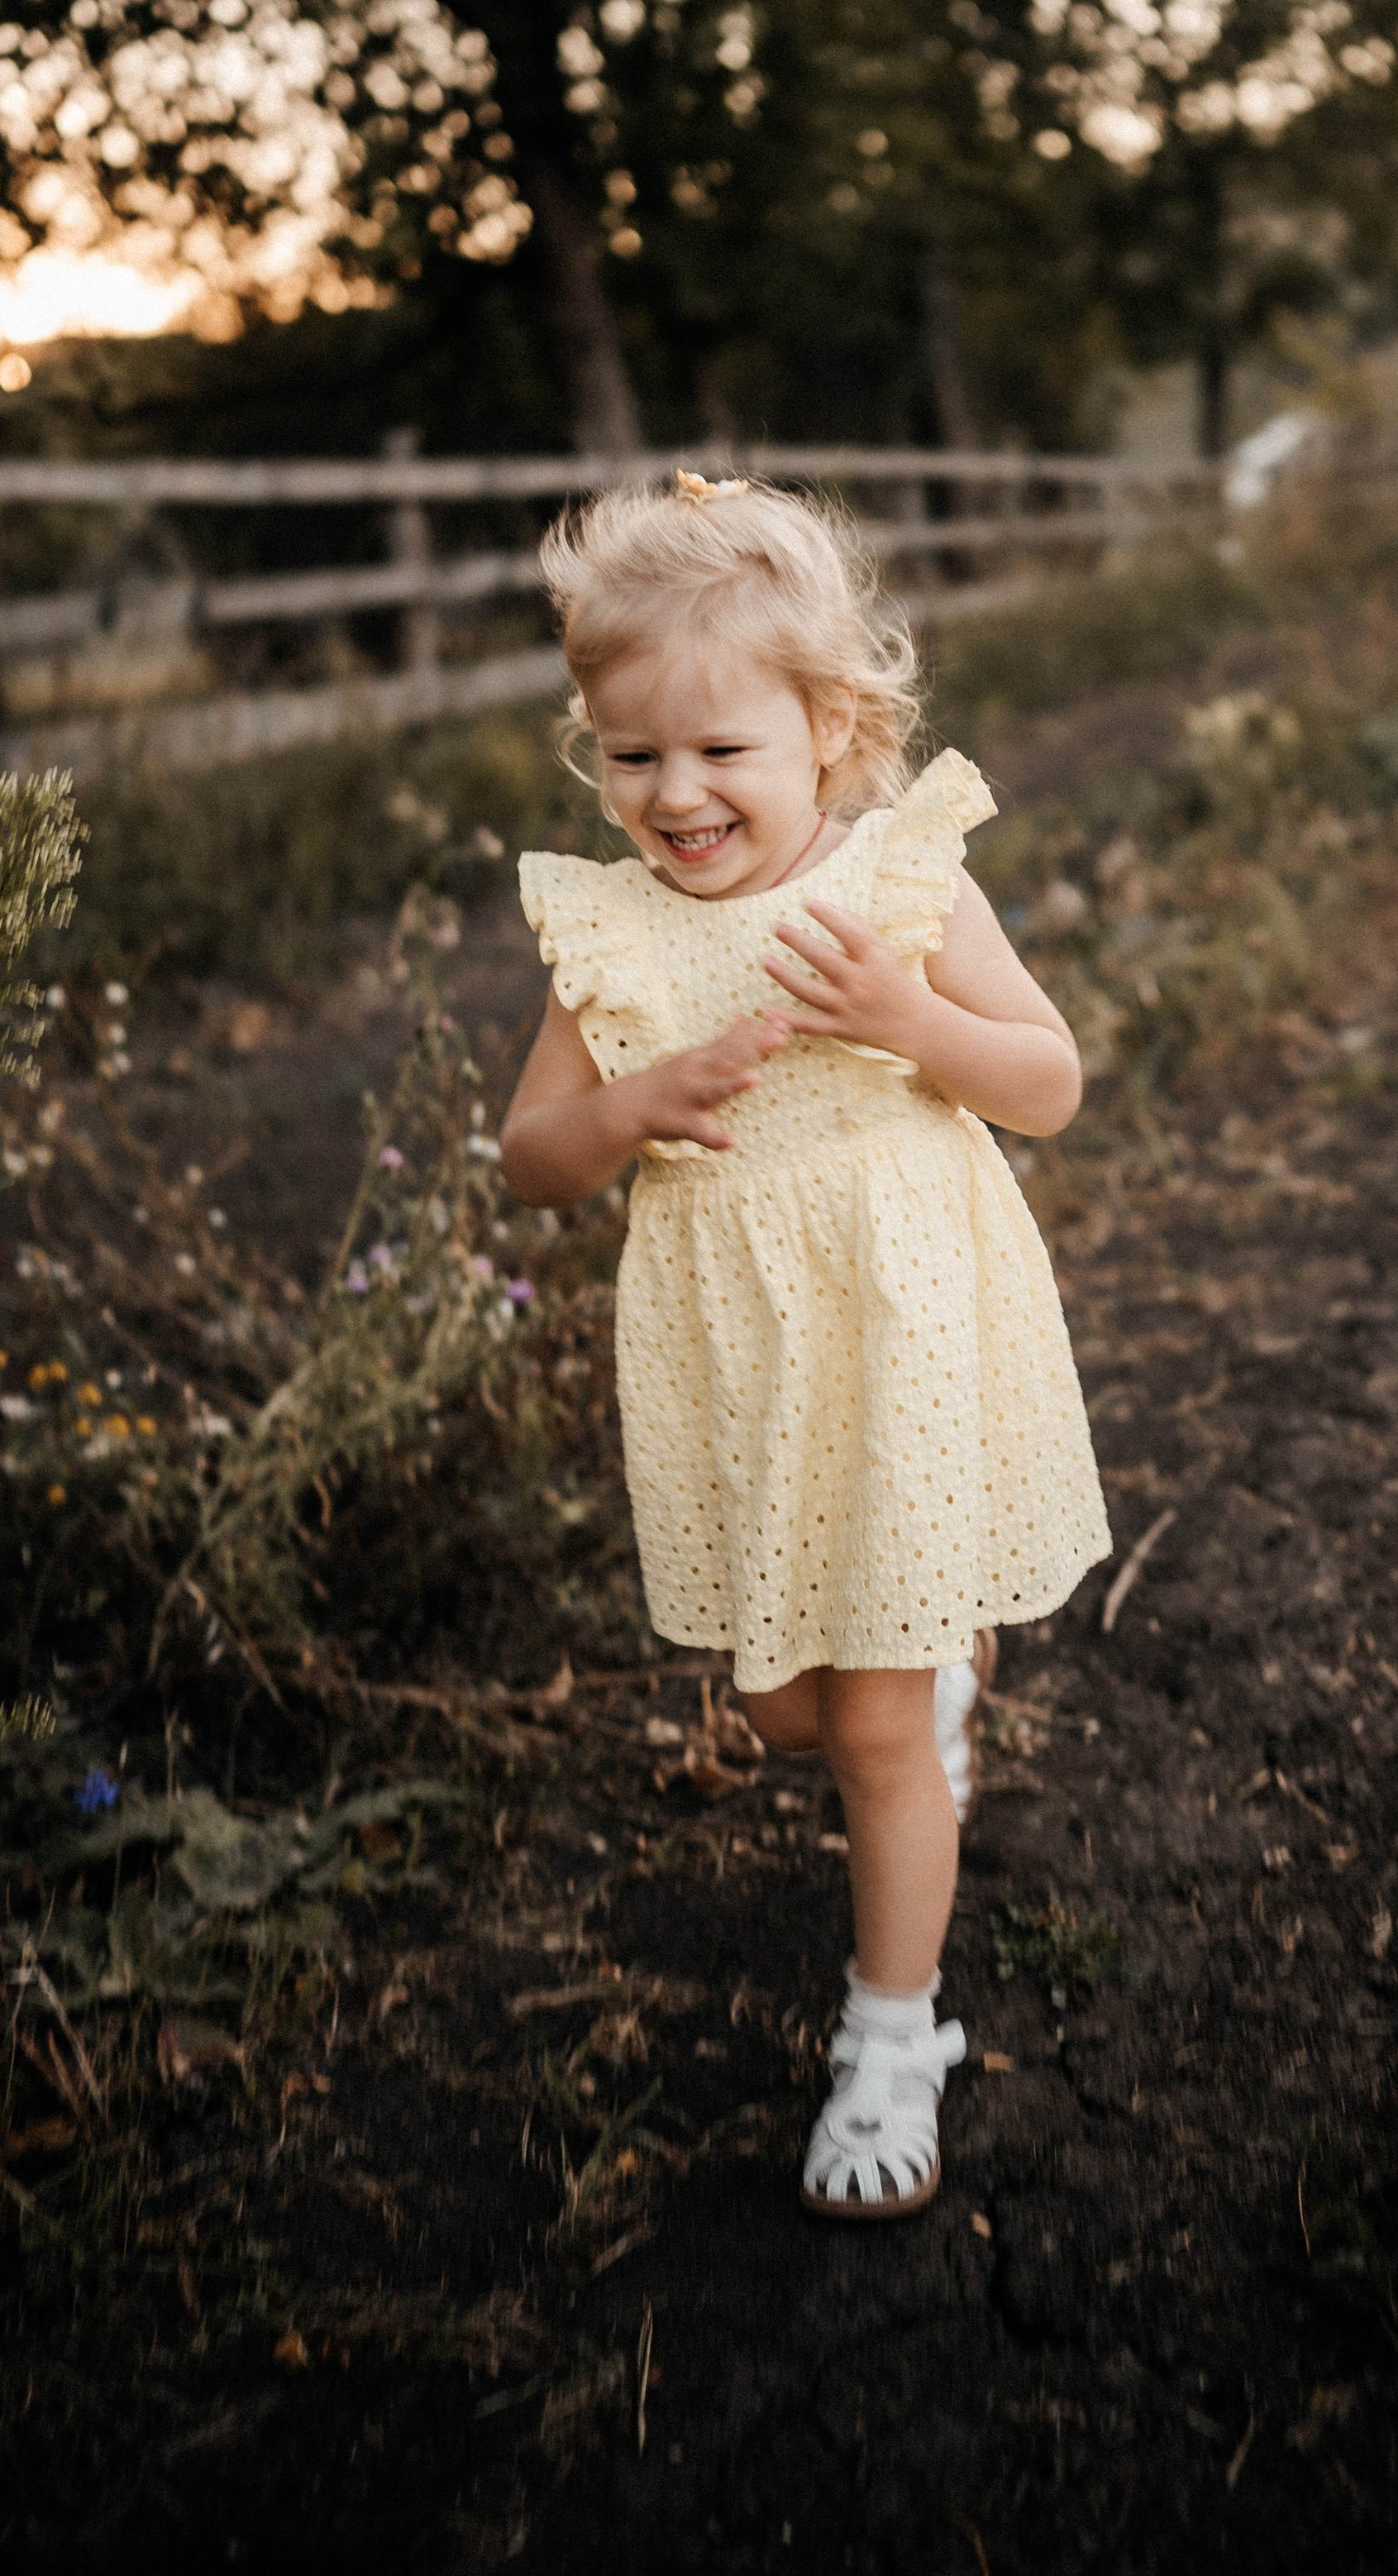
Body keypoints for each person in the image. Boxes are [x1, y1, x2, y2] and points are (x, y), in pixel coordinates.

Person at [500, 471, 1109, 2220]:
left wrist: (911, 1016)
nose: (671, 795)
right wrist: (626, 1103)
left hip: (906, 1330)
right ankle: (929, 1678)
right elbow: (529, 1159)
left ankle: (892, 2031)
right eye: (630, 757)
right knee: (779, 1709)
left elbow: (1048, 1082)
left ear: (829, 730)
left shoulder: (895, 885)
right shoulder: (605, 927)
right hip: (737, 1369)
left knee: (866, 1736)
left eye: (718, 752)